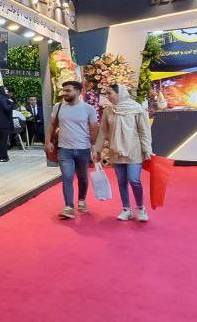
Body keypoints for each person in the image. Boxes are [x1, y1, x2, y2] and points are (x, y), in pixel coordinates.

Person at [95, 83, 154, 222]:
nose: (108, 96)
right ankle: (126, 209)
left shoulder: (136, 108)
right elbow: (103, 131)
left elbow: (144, 131)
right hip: (115, 151)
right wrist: (97, 149)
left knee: (134, 180)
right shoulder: (108, 110)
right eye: (106, 94)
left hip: (134, 150)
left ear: (120, 93)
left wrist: (147, 150)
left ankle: (140, 208)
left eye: (110, 93)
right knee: (121, 181)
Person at [46, 81, 98, 219]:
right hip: (64, 149)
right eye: (64, 90)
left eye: (68, 90)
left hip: (83, 149)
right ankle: (69, 207)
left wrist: (94, 147)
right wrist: (48, 141)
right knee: (67, 177)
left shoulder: (88, 109)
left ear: (78, 92)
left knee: (82, 177)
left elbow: (94, 128)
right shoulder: (58, 107)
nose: (64, 93)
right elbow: (52, 125)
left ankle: (81, 200)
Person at [0, 86, 15, 162]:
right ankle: (2, 156)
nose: (6, 90)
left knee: (1, 140)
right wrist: (11, 103)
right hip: (4, 122)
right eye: (5, 89)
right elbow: (6, 108)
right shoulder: (2, 98)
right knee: (3, 140)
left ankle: (1, 156)